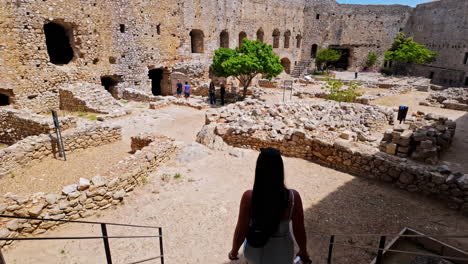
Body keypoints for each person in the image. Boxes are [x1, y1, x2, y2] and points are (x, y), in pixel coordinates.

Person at [228, 148, 312, 264]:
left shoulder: (249, 197)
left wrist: (234, 251)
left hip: (255, 252)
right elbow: (299, 229)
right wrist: (303, 251)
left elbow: (241, 229)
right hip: (282, 252)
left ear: (259, 169)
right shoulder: (293, 198)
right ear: (280, 169)